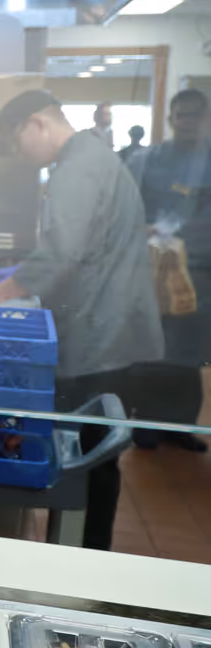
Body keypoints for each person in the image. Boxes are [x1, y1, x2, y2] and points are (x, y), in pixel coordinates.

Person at [0, 89, 169, 549]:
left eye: (17, 143)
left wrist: (4, 290)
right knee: (95, 456)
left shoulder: (78, 167)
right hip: (110, 327)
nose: (21, 156)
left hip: (103, 336)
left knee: (90, 459)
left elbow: (63, 251)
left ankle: (86, 556)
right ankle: (86, 550)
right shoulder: (91, 158)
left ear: (38, 123)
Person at [138, 89, 211, 424]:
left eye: (196, 115)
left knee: (191, 351)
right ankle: (147, 425)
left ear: (205, 118)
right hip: (154, 268)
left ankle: (181, 428)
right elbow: (132, 205)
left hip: (200, 271)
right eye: (182, 115)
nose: (188, 122)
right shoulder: (151, 160)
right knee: (154, 346)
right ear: (171, 119)